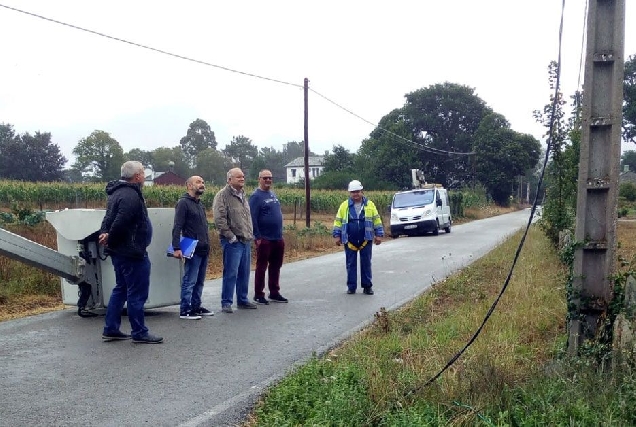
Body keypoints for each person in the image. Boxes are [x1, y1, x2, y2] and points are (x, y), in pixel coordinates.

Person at [99, 160, 163, 344]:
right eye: (143, 172)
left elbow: (108, 217)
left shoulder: (116, 193)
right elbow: (121, 220)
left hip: (119, 251)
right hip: (132, 252)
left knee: (121, 289)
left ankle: (111, 328)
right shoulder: (131, 196)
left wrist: (105, 232)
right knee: (137, 293)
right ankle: (139, 331)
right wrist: (110, 235)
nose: (144, 176)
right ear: (137, 176)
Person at [212, 168, 258, 313]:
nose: (242, 179)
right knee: (231, 273)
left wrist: (250, 235)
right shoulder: (222, 196)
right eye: (238, 177)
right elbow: (219, 220)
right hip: (233, 241)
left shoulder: (243, 195)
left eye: (243, 176)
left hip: (246, 240)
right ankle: (226, 302)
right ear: (229, 179)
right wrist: (231, 237)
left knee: (244, 272)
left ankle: (243, 300)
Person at [172, 175, 214, 320]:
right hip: (192, 248)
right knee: (189, 280)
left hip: (204, 248)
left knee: (200, 281)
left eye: (203, 182)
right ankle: (185, 309)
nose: (202, 184)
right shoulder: (183, 203)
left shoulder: (200, 204)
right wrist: (176, 247)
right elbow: (177, 226)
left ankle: (196, 306)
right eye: (198, 182)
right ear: (189, 185)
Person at [332, 179, 384, 295]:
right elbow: (338, 221)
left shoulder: (370, 205)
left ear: (362, 191)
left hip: (366, 238)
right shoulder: (344, 206)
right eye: (353, 192)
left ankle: (367, 286)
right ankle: (351, 287)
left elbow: (376, 219)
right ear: (350, 193)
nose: (355, 194)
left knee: (366, 263)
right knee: (350, 264)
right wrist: (337, 235)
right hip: (349, 240)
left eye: (357, 191)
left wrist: (379, 234)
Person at [249, 169, 288, 305]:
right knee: (261, 267)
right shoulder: (256, 196)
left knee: (276, 266)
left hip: (277, 237)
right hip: (264, 238)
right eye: (265, 178)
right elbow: (252, 217)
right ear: (259, 179)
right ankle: (259, 294)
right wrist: (257, 236)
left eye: (270, 178)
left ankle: (274, 292)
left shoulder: (272, 194)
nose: (268, 180)